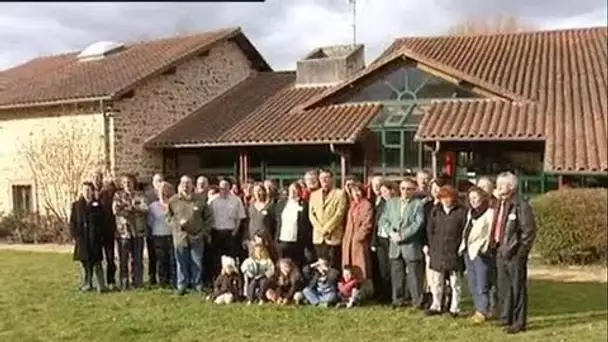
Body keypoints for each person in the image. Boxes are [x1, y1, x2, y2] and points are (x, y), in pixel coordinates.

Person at [493, 172, 536, 334]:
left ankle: (519, 322)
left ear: (511, 187)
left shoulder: (521, 206)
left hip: (514, 253)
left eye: (502, 184)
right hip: (500, 251)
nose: (498, 187)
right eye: (497, 183)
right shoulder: (500, 204)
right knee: (505, 287)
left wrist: (521, 253)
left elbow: (528, 232)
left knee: (518, 288)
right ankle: (507, 317)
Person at [379, 178, 425, 308]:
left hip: (410, 244)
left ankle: (417, 301)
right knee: (396, 274)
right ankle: (397, 300)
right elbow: (384, 220)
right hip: (395, 245)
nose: (405, 191)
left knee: (414, 275)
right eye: (403, 188)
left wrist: (403, 235)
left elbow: (418, 223)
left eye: (409, 189)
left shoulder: (418, 204)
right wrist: (391, 234)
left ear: (414, 190)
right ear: (400, 189)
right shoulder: (391, 203)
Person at [166, 175, 213, 295]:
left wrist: (203, 233)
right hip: (180, 237)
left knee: (197, 261)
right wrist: (177, 225)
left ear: (192, 185)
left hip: (197, 237)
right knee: (181, 262)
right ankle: (182, 285)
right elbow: (168, 217)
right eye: (183, 183)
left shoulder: (200, 200)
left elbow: (208, 218)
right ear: (180, 185)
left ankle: (197, 284)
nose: (186, 185)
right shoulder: (174, 200)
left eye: (188, 183)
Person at [425, 185, 467, 317]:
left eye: (449, 197)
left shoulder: (462, 212)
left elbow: (465, 231)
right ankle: (436, 305)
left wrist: (461, 247)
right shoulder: (435, 211)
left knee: (455, 282)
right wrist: (431, 247)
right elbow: (430, 230)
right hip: (437, 250)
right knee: (436, 281)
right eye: (443, 198)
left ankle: (455, 307)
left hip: (454, 251)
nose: (446, 200)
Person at [459, 186, 495, 324]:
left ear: (482, 197)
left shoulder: (489, 213)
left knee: (482, 283)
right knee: (472, 282)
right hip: (468, 251)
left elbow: (489, 233)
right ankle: (477, 309)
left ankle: (483, 311)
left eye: (475, 197)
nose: (472, 200)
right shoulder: (471, 213)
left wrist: (484, 248)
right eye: (470, 198)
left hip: (480, 252)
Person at [112, 174, 148, 290]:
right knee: (123, 259)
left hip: (138, 232)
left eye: (130, 182)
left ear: (134, 183)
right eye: (125, 182)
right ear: (122, 184)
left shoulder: (140, 195)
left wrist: (128, 208)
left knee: (137, 259)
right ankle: (124, 282)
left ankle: (137, 282)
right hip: (123, 233)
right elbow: (116, 210)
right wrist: (132, 209)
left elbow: (145, 208)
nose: (127, 184)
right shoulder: (118, 195)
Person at [70, 181, 107, 293]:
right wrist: (75, 236)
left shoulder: (98, 205)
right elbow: (73, 222)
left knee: (97, 263)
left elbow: (102, 222)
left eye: (89, 190)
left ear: (92, 191)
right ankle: (87, 284)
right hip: (82, 239)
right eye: (84, 190)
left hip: (94, 239)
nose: (87, 192)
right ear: (82, 191)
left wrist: (100, 235)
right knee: (85, 263)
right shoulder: (76, 205)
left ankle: (101, 285)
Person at [309, 169, 348, 270]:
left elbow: (339, 214)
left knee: (333, 266)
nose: (324, 180)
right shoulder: (314, 195)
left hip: (333, 236)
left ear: (332, 179)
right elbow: (311, 215)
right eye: (322, 178)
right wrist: (320, 229)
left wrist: (327, 229)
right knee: (320, 266)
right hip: (318, 236)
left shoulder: (340, 194)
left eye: (326, 177)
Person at [209, 178, 247, 278]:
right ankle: (217, 280)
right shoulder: (213, 199)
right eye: (221, 186)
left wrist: (235, 231)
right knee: (216, 259)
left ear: (229, 187)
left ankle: (231, 280)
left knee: (231, 259)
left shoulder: (236, 200)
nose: (223, 188)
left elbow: (240, 217)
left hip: (230, 233)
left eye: (226, 186)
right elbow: (207, 216)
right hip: (215, 232)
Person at [342, 182, 373, 289]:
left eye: (358, 191)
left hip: (359, 241)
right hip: (348, 240)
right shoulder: (351, 205)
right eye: (354, 191)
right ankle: (350, 288)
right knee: (348, 265)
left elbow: (367, 224)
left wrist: (359, 237)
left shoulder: (366, 205)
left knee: (360, 264)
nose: (356, 193)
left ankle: (362, 289)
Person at [275, 182, 313, 268]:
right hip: (282, 240)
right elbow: (277, 220)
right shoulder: (281, 203)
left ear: (300, 191)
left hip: (297, 241)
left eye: (295, 190)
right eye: (291, 190)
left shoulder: (305, 204)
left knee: (296, 265)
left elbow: (307, 223)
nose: (293, 192)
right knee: (283, 265)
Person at [90, 170, 117, 290]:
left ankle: (111, 281)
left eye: (99, 178)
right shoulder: (89, 193)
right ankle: (98, 283)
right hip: (95, 232)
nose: (97, 180)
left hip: (108, 230)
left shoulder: (107, 193)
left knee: (110, 258)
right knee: (96, 258)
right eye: (94, 178)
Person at [147, 181, 176, 288]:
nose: (163, 193)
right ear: (157, 193)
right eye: (161, 191)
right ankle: (163, 282)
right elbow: (150, 222)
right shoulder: (153, 206)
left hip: (171, 235)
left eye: (165, 191)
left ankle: (173, 281)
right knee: (161, 260)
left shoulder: (173, 204)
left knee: (172, 259)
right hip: (158, 235)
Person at [371, 180, 393, 303]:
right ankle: (383, 295)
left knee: (392, 269)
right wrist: (374, 241)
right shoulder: (380, 204)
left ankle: (391, 294)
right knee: (382, 268)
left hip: (391, 240)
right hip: (380, 239)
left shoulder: (396, 203)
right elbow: (376, 224)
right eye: (382, 191)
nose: (384, 193)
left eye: (386, 191)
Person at [144, 173, 164, 286]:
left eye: (161, 180)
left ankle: (163, 277)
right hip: (151, 230)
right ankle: (152, 277)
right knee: (152, 256)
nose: (159, 183)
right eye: (157, 181)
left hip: (163, 230)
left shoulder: (168, 194)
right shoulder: (148, 196)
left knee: (163, 256)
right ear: (153, 183)